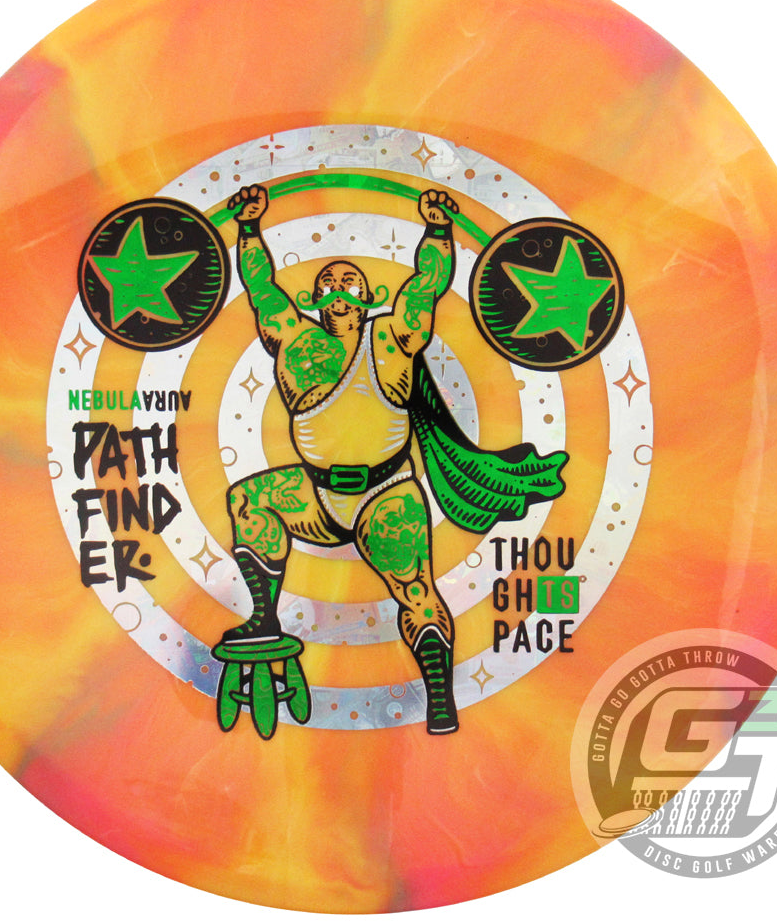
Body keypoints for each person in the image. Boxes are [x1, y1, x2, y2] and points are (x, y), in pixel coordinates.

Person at [222, 183, 568, 734]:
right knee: (248, 499)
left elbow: (426, 284)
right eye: (328, 284)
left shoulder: (391, 338)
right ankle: (263, 619)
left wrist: (437, 228)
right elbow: (261, 287)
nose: (338, 291)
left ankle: (439, 699)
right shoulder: (294, 341)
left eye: (349, 283)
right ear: (313, 299)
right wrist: (248, 227)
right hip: (315, 495)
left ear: (369, 297)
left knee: (417, 594)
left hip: (385, 498)